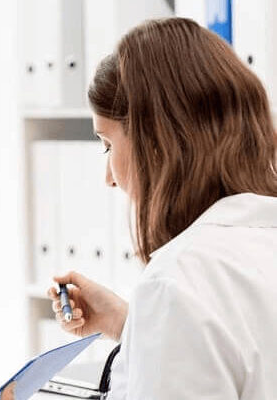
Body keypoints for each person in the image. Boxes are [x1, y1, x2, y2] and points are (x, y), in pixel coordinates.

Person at [47, 17, 277, 399]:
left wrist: (157, 312)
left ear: (156, 142)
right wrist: (131, 324)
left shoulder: (178, 280)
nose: (109, 177)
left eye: (108, 144)